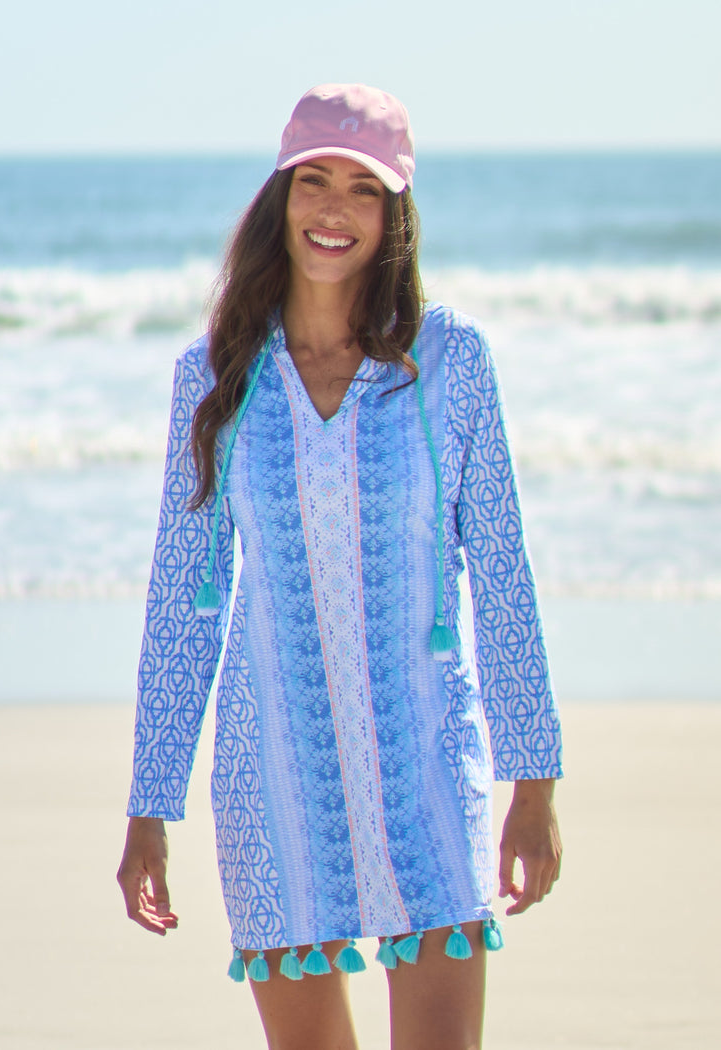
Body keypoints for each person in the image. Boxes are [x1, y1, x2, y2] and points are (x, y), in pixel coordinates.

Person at [117, 83, 563, 1050]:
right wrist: (151, 804)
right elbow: (183, 605)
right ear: (280, 197)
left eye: (363, 188)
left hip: (427, 761)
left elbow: (503, 575)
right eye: (313, 180)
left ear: (394, 211)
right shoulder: (215, 378)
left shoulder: (450, 362)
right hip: (271, 776)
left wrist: (535, 781)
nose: (334, 208)